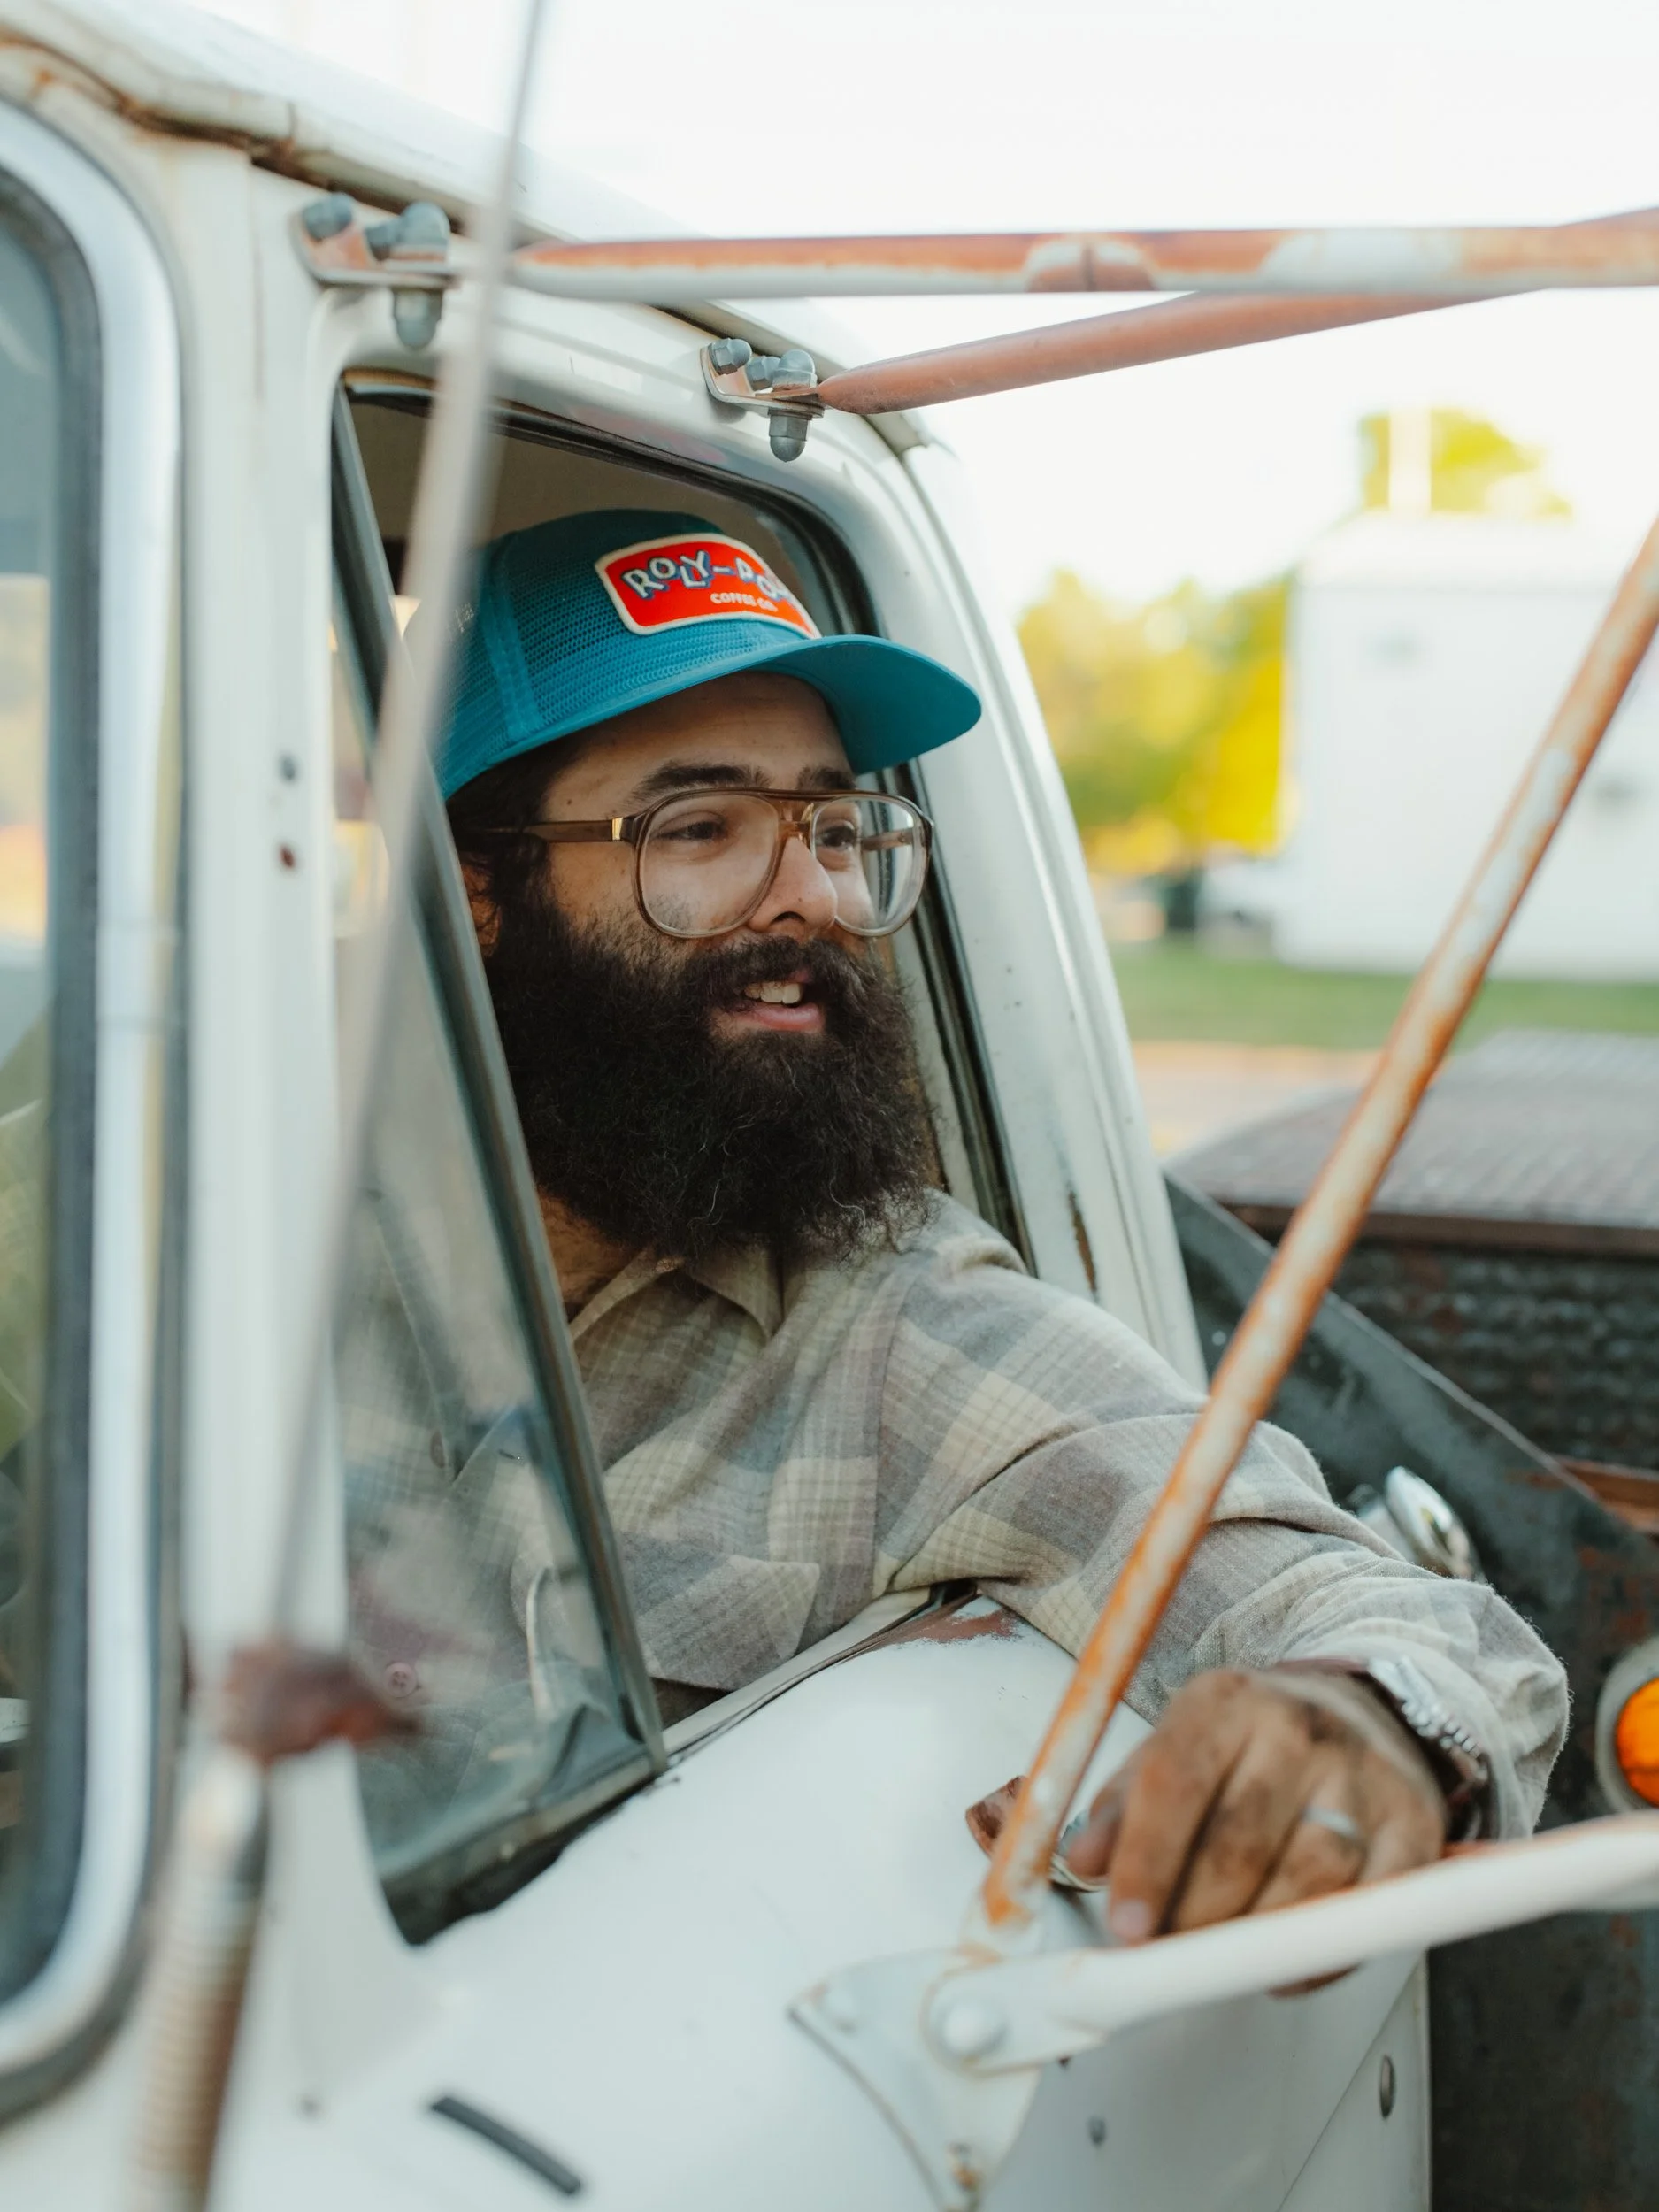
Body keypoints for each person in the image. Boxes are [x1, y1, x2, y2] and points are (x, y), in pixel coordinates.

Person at [436, 506, 1567, 1947]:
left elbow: (1353, 1607)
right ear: (478, 889)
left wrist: (1352, 1716)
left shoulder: (898, 1325)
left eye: (839, 826)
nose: (817, 897)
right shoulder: (222, 1226)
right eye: (701, 828)